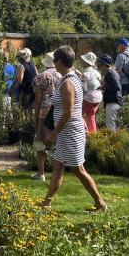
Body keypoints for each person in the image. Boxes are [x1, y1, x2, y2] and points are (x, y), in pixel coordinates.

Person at [41, 46, 106, 212]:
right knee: (57, 165)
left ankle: (100, 203)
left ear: (60, 62)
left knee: (79, 169)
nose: (53, 64)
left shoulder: (68, 82)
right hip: (66, 132)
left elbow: (69, 112)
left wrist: (54, 133)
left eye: (55, 60)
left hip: (70, 131)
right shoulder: (70, 78)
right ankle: (46, 202)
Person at [31, 52, 62, 182]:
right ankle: (57, 174)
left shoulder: (41, 77)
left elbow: (38, 99)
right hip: (59, 111)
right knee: (57, 145)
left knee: (40, 144)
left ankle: (41, 174)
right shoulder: (62, 75)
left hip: (44, 112)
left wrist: (36, 118)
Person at [79, 52, 103, 133]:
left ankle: (86, 132)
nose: (82, 62)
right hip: (98, 97)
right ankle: (93, 136)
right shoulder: (97, 72)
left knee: (78, 114)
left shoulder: (85, 74)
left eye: (83, 60)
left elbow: (84, 89)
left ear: (86, 62)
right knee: (91, 115)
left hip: (89, 97)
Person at [97, 54, 122, 132]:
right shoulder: (112, 72)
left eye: (100, 64)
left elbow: (117, 87)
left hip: (112, 102)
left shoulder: (110, 73)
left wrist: (104, 86)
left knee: (110, 125)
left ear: (104, 64)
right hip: (115, 101)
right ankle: (116, 142)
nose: (98, 66)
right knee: (114, 125)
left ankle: (112, 143)